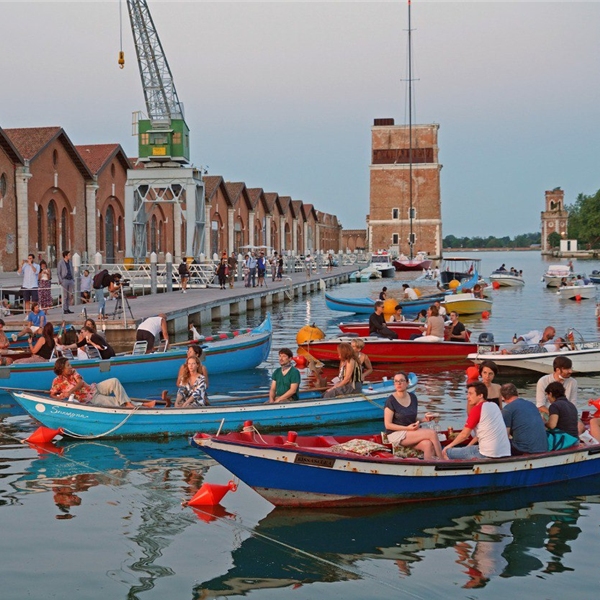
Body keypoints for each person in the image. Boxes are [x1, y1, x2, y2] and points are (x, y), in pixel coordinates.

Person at [442, 382, 511, 460]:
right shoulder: (494, 406)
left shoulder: (477, 409)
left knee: (447, 452)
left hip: (487, 453)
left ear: (480, 395)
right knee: (468, 449)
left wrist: (448, 446)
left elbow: (464, 435)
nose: (467, 397)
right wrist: (468, 447)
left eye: (470, 394)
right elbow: (481, 434)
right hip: (505, 451)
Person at [50, 357, 154, 408]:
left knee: (114, 381)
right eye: (68, 366)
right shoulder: (57, 381)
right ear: (62, 369)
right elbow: (52, 394)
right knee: (115, 401)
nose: (71, 367)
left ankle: (128, 403)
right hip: (90, 398)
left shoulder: (73, 372)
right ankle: (143, 405)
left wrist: (70, 391)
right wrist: (59, 398)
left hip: (94, 388)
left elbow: (80, 383)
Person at [383, 372, 444, 460]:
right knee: (432, 433)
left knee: (428, 444)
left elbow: (411, 417)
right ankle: (442, 460)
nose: (399, 383)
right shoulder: (391, 401)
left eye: (401, 381)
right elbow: (388, 425)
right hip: (396, 434)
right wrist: (408, 428)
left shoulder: (413, 397)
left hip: (410, 432)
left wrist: (424, 419)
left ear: (407, 383)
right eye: (396, 381)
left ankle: (428, 469)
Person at [500, 383, 548, 455]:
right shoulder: (531, 404)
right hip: (543, 447)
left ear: (502, 397)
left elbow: (505, 436)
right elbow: (542, 422)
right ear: (517, 393)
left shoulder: (507, 410)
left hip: (524, 449)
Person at [57, 250, 75, 314]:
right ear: (65, 256)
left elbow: (72, 270)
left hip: (70, 279)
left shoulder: (70, 262)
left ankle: (68, 308)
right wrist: (61, 281)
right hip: (65, 280)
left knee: (69, 295)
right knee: (65, 296)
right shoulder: (60, 263)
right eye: (69, 255)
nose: (70, 256)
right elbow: (58, 273)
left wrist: (73, 279)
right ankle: (65, 309)